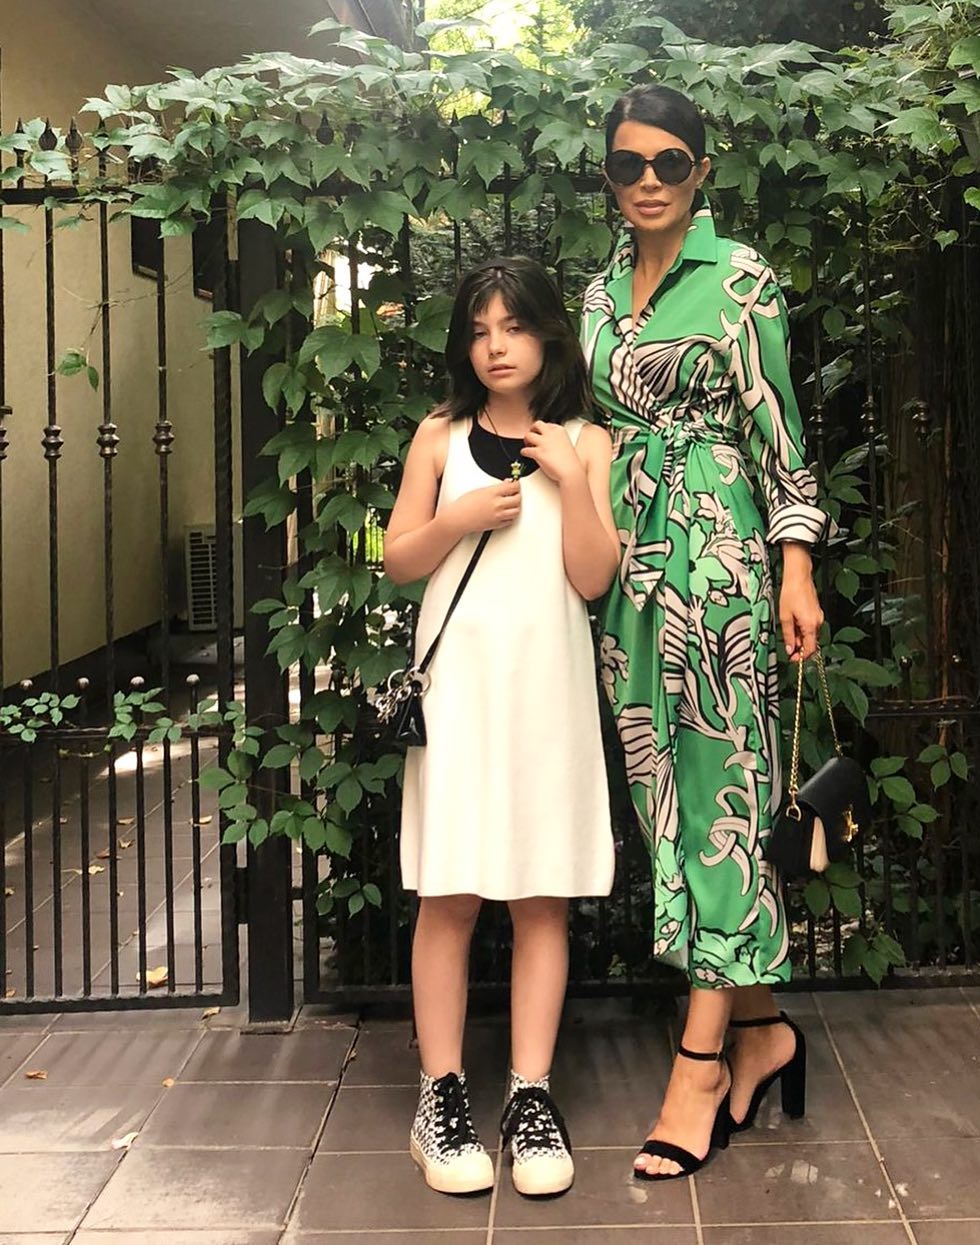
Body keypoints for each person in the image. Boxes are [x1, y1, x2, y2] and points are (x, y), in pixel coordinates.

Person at [580, 84, 828, 1180]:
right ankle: (764, 1030)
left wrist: (797, 565)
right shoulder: (596, 295)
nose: (647, 182)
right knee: (663, 797)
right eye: (627, 164)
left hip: (720, 559)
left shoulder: (741, 280)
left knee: (724, 792)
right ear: (608, 176)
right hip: (629, 572)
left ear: (702, 172)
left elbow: (782, 434)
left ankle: (699, 1066)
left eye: (669, 163)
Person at [384, 256, 620, 1198]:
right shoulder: (438, 436)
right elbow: (400, 558)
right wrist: (460, 518)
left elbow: (594, 577)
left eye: (514, 327)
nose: (497, 347)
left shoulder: (585, 442)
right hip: (459, 697)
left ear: (549, 335)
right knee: (448, 892)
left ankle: (530, 1094)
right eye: (480, 331)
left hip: (547, 695)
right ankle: (439, 1098)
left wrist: (570, 477)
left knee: (540, 897)